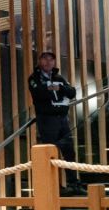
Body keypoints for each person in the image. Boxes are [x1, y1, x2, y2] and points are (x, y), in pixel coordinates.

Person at [28, 51, 85, 196]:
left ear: (54, 62)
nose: (48, 62)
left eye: (51, 59)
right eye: (45, 59)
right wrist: (55, 89)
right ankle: (53, 186)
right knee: (51, 154)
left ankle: (73, 184)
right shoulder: (34, 78)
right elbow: (39, 93)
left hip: (63, 120)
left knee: (69, 153)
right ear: (40, 61)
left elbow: (72, 92)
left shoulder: (59, 78)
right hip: (47, 121)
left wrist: (57, 87)